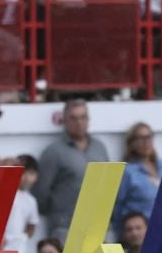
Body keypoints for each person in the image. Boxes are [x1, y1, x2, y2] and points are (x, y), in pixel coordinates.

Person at [35, 99, 110, 243]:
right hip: (65, 227)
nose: (79, 122)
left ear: (88, 120)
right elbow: (41, 192)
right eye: (73, 118)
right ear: (65, 121)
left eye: (83, 117)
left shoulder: (100, 147)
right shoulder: (53, 152)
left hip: (98, 227)